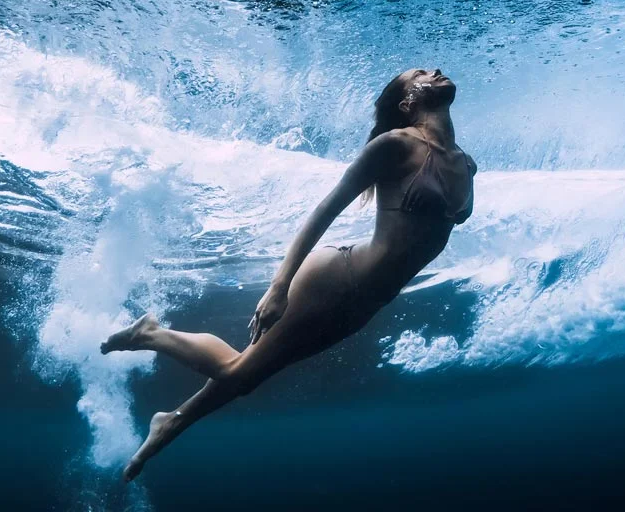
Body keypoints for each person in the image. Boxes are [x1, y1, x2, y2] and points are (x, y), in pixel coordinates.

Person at [100, 68, 477, 481]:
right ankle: (159, 374)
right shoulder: (396, 146)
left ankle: (161, 381)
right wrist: (280, 285)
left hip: (366, 304)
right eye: (419, 74)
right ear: (408, 103)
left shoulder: (466, 164)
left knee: (245, 372)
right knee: (240, 376)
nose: (434, 71)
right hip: (337, 277)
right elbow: (324, 211)